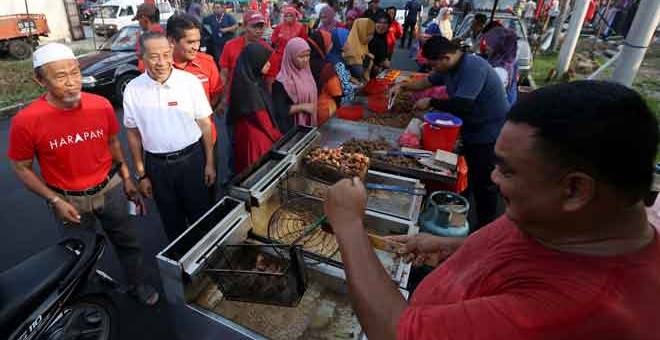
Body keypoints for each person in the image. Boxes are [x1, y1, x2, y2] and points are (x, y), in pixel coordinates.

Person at [324, 80, 660, 340]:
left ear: (575, 189)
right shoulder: (574, 222)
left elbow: (398, 333)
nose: (494, 176)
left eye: (508, 170)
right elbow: (527, 252)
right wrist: (459, 250)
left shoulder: (581, 311)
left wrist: (349, 224)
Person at [8, 43, 159, 306]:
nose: (72, 82)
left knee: (128, 243)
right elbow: (21, 167)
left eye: (75, 72)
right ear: (39, 80)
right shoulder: (26, 120)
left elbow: (113, 143)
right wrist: (55, 200)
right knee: (79, 254)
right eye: (60, 76)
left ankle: (138, 285)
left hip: (109, 190)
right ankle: (90, 300)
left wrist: (126, 179)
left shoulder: (100, 105)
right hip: (68, 201)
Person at [400, 36, 509, 229]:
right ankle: (457, 214)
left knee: (484, 182)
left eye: (434, 64)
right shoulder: (449, 67)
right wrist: (402, 86)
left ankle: (484, 228)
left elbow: (463, 104)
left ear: (446, 57)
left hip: (489, 131)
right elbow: (427, 82)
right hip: (470, 128)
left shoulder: (473, 68)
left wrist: (431, 102)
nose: (433, 69)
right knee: (464, 173)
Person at [123, 32, 215, 241]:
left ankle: (209, 264)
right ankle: (181, 265)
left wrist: (209, 162)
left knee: (202, 217)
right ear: (142, 57)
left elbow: (205, 125)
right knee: (171, 221)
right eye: (155, 56)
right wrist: (141, 174)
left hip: (192, 160)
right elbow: (133, 134)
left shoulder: (189, 83)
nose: (162, 62)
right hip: (157, 167)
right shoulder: (133, 89)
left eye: (166, 54)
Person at [167, 15, 227, 191]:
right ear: (172, 40)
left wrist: (203, 114)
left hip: (205, 138)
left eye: (198, 41)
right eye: (190, 42)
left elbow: (216, 94)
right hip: (174, 145)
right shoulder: (160, 67)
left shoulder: (207, 62)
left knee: (208, 190)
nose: (196, 46)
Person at [229, 44, 283, 173]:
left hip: (247, 133)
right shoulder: (250, 89)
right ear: (255, 62)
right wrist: (280, 138)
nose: (269, 64)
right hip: (256, 139)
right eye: (265, 62)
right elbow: (262, 120)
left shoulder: (249, 79)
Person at [272, 38, 319, 133]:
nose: (305, 60)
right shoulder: (281, 82)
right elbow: (279, 110)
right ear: (291, 56)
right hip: (291, 130)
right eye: (301, 57)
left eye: (308, 55)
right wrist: (302, 107)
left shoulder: (307, 73)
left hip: (308, 126)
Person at [307, 29, 344, 124]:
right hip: (324, 111)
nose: (331, 45)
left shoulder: (302, 63)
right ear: (323, 44)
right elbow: (336, 92)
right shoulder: (327, 68)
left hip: (306, 113)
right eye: (330, 42)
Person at [481, 26, 519, 105]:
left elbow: (489, 95)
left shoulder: (501, 70)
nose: (486, 46)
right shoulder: (510, 59)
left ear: (499, 47)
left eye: (490, 44)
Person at [271, 6, 309, 78]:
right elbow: (273, 39)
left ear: (295, 16)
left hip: (294, 57)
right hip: (280, 57)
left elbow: (304, 42)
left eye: (291, 15)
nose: (288, 18)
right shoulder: (279, 27)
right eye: (286, 16)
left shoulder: (300, 27)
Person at [327, 28, 358, 105]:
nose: (350, 43)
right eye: (347, 41)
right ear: (339, 42)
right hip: (340, 104)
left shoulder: (333, 55)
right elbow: (348, 91)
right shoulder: (338, 63)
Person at [134, 3, 164, 73]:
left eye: (139, 19)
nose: (139, 23)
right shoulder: (165, 34)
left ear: (144, 18)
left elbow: (143, 67)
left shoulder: (145, 39)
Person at [343, 18, 376, 82]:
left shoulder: (363, 44)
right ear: (360, 32)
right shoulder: (350, 50)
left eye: (372, 34)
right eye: (368, 34)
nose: (371, 37)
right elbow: (358, 72)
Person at [369, 12, 392, 78]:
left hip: (380, 74)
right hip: (368, 77)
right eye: (379, 22)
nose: (381, 25)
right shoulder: (370, 38)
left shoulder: (384, 37)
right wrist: (375, 67)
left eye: (385, 23)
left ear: (388, 25)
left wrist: (386, 60)